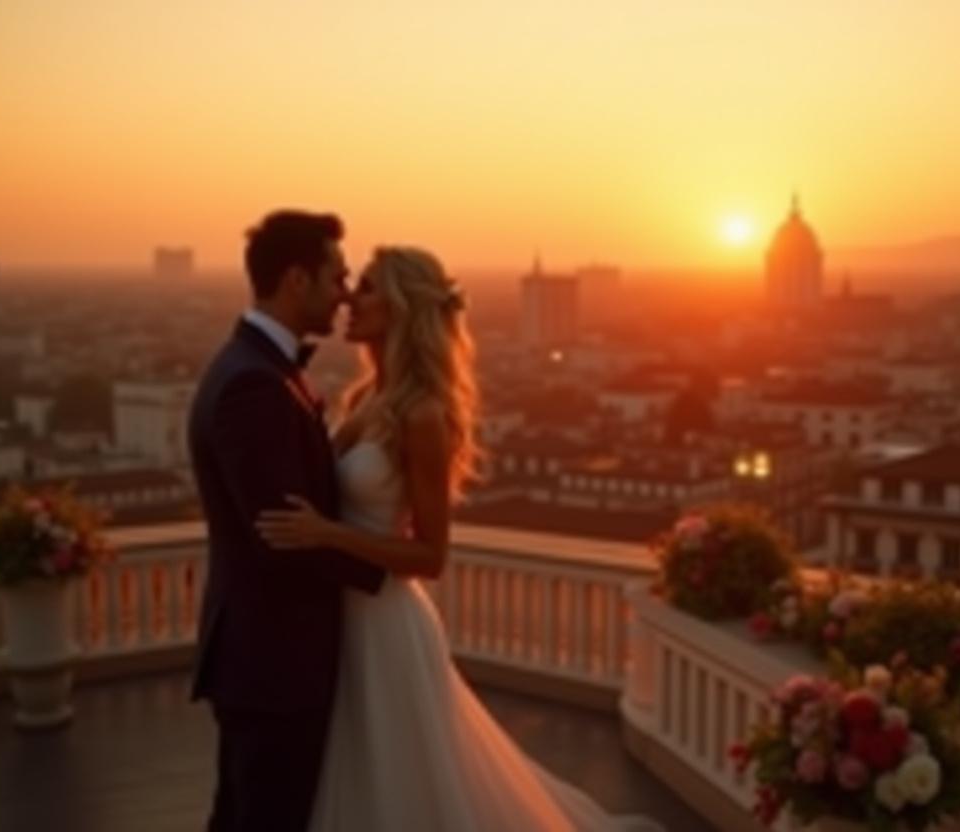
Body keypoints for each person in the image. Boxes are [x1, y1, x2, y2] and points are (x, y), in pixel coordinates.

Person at [255, 246, 662, 831]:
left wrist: (327, 535)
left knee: (402, 782)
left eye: (366, 289)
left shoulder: (422, 414)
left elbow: (430, 555)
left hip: (387, 623)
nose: (350, 298)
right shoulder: (366, 399)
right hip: (345, 619)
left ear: (401, 308)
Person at [188, 210, 390, 832]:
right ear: (298, 280)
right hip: (274, 661)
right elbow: (284, 540)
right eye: (338, 276)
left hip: (264, 656)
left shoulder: (259, 370)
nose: (346, 294)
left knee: (243, 814)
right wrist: (390, 568)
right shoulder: (255, 385)